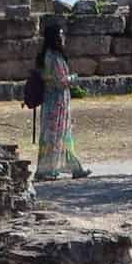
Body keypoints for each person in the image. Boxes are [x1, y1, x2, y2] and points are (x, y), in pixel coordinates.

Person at [34, 20, 90, 180]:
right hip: (55, 102)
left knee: (63, 135)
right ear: (54, 37)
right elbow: (61, 80)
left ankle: (75, 168)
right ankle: (45, 170)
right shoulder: (52, 57)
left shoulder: (52, 55)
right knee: (54, 136)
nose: (63, 37)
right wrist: (74, 78)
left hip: (58, 102)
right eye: (60, 34)